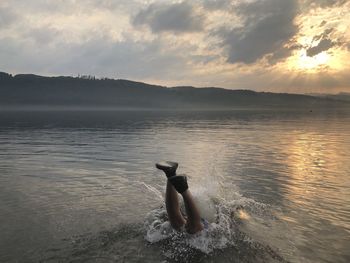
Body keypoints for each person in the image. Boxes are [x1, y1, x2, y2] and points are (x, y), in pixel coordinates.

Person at [156, 161, 205, 234]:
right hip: (202, 224)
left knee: (176, 224)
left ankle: (171, 173)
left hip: (197, 220)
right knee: (195, 230)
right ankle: (184, 189)